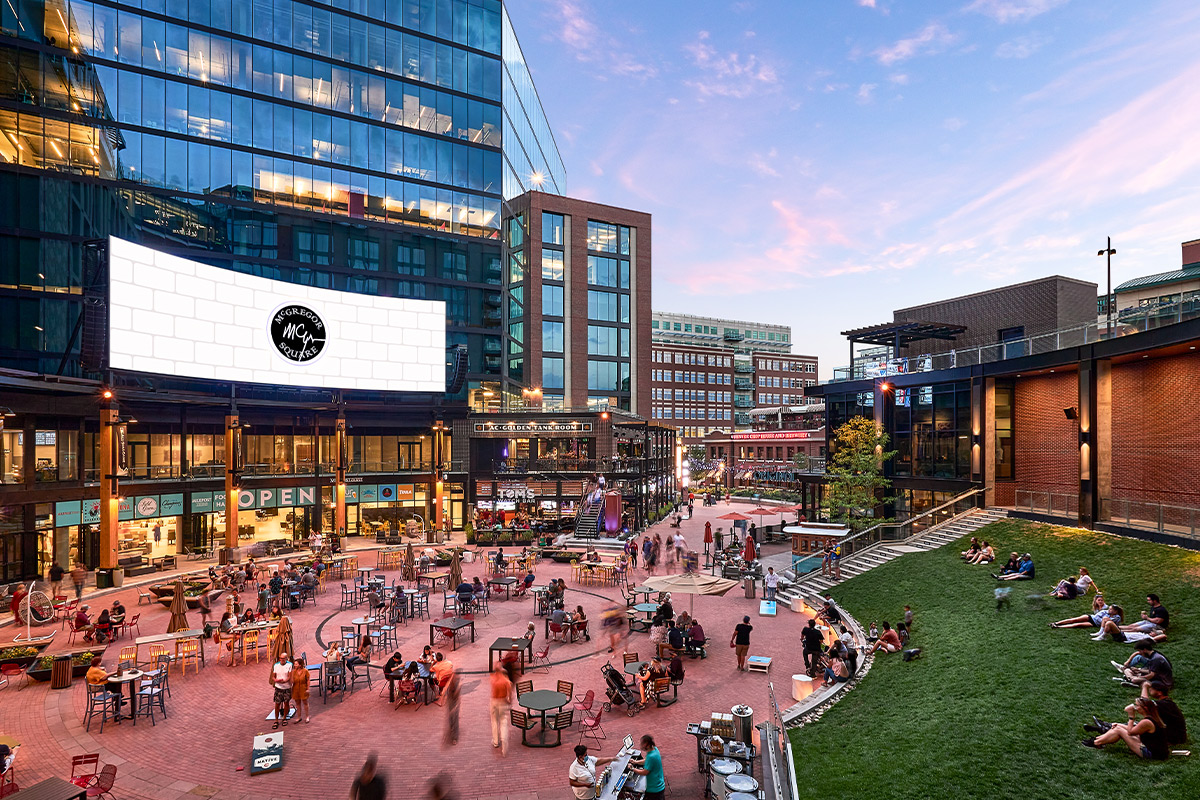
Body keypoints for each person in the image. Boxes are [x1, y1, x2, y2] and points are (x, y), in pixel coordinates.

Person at [1089, 681, 1187, 746]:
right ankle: (1105, 728)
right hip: (1173, 734)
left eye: (1151, 689)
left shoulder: (1164, 704)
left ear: (1159, 692)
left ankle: (1100, 736)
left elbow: (1144, 702)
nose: (1149, 690)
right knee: (1124, 726)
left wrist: (1144, 686)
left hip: (1172, 737)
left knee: (1125, 728)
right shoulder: (1167, 703)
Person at [1082, 697, 1169, 760]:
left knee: (1119, 730)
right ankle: (1097, 741)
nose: (1135, 707)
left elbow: (1130, 732)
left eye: (1137, 705)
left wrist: (1131, 717)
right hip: (1156, 750)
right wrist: (1119, 724)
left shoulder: (1147, 722)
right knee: (1118, 727)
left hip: (1151, 754)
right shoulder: (1152, 718)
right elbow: (1134, 730)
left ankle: (1096, 742)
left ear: (1144, 708)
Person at [630, 735, 666, 800]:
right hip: (659, 785)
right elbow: (646, 761)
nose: (641, 745)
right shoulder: (655, 750)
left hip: (654, 790)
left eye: (642, 744)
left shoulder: (651, 757)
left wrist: (632, 769)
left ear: (647, 744)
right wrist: (635, 762)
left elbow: (644, 772)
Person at [1051, 594, 1119, 629]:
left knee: (1078, 624)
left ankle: (1058, 627)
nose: (1100, 601)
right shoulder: (1100, 609)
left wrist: (1100, 621)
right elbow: (1099, 618)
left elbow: (1102, 621)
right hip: (1091, 617)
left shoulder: (1106, 609)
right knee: (1074, 619)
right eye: (1099, 600)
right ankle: (1056, 623)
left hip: (1094, 623)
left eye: (1101, 600)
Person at [489, 662, 513, 754]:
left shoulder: (493, 679)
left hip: (494, 701)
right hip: (503, 701)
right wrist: (509, 701)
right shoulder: (506, 681)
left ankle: (495, 741)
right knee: (503, 722)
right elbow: (509, 693)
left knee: (494, 721)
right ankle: (504, 743)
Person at [270, 651, 292, 729]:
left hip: (286, 687)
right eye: (280, 658)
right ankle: (276, 720)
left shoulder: (289, 665)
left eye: (283, 658)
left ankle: (284, 718)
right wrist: (276, 680)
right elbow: (273, 676)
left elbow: (289, 676)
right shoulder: (276, 665)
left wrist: (285, 681)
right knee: (277, 704)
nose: (281, 660)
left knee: (286, 703)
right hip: (278, 687)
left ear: (286, 658)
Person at [292, 655, 311, 723]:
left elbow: (308, 680)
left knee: (305, 702)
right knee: (297, 703)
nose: (295, 665)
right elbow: (292, 680)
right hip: (295, 688)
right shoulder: (293, 672)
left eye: (296, 664)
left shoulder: (305, 671)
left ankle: (307, 716)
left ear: (300, 665)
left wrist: (308, 688)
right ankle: (299, 716)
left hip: (303, 688)